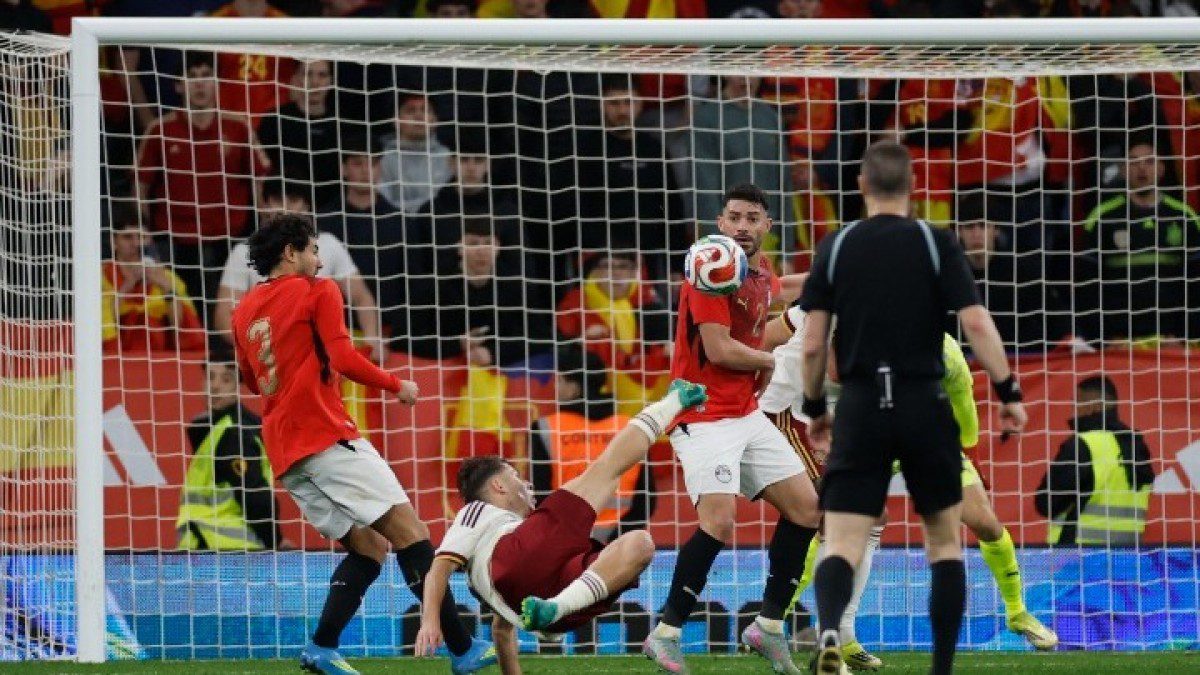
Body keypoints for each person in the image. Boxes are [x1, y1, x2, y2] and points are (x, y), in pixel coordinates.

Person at [799, 141, 1028, 675]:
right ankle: (941, 668)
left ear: (861, 185)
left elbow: (813, 343)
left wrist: (815, 406)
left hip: (860, 405)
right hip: (923, 402)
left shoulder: (836, 245)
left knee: (843, 540)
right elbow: (976, 323)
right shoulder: (934, 241)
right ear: (913, 187)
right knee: (944, 545)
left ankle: (829, 630)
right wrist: (1008, 392)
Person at [229, 213, 494, 675]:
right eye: (314, 251)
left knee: (369, 547)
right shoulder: (318, 291)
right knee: (410, 532)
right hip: (325, 435)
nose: (319, 261)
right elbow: (345, 357)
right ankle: (462, 647)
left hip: (286, 453)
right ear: (290, 252)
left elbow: (252, 381)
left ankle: (322, 647)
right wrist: (397, 384)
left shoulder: (243, 310)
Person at [413, 380, 709, 675]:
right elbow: (438, 568)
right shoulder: (477, 512)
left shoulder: (516, 543)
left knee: (640, 544)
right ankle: (673, 402)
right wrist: (430, 621)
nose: (526, 483)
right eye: (515, 476)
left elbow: (502, 630)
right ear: (498, 486)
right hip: (519, 563)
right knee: (605, 469)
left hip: (547, 608)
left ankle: (557, 606)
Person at [643, 184, 819, 675]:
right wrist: (772, 360)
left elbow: (777, 295)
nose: (742, 226)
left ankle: (768, 626)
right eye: (734, 217)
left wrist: (833, 280)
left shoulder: (759, 270)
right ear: (720, 223)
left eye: (752, 218)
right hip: (702, 415)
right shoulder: (710, 270)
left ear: (767, 226)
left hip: (744, 413)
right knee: (719, 522)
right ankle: (665, 634)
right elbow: (720, 351)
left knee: (807, 509)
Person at [134, 50, 270, 322]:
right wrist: (146, 236)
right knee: (184, 320)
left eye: (206, 75)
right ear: (178, 85)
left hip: (229, 241)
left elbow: (260, 180)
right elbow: (141, 187)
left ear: (217, 83)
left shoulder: (238, 127)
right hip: (175, 243)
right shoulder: (160, 130)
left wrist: (264, 228)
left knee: (229, 318)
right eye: (191, 76)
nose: (199, 83)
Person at [215, 180, 386, 362]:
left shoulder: (328, 244)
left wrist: (372, 338)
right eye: (278, 199)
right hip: (267, 358)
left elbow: (361, 296)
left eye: (293, 200)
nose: (285, 207)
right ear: (265, 205)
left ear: (306, 206)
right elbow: (224, 316)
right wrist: (260, 348)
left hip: (322, 355)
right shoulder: (243, 252)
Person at [1076, 134, 1200, 342]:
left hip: (1171, 340)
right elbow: (1087, 286)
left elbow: (1196, 283)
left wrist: (1185, 336)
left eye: (1149, 162)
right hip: (1119, 340)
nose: (1142, 169)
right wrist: (1103, 339)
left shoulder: (1184, 216)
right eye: (1134, 162)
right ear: (1123, 170)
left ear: (1161, 169)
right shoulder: (1102, 217)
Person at [529, 346, 655, 542]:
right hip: (619, 543)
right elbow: (646, 499)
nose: (554, 387)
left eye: (559, 380)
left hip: (566, 541)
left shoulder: (546, 428)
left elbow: (540, 496)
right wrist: (614, 541)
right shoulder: (630, 427)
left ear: (574, 387)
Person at [176, 353, 286, 551]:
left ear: (237, 386)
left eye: (225, 379)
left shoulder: (234, 432)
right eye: (210, 377)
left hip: (228, 551)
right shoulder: (213, 427)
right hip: (218, 547)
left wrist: (274, 543)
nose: (215, 386)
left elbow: (255, 495)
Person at [1034, 376, 1155, 546]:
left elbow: (1045, 504)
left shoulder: (1083, 445)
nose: (1073, 411)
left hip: (1076, 555)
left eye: (1077, 403)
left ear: (1094, 406)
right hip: (1127, 555)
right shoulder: (1137, 447)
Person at [555, 251, 672, 417]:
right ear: (594, 271)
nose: (616, 273)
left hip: (638, 385)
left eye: (623, 266)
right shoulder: (575, 303)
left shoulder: (650, 308)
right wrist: (578, 342)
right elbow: (556, 348)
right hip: (593, 398)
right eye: (607, 266)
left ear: (634, 272)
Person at [956, 192, 1072, 352]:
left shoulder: (1022, 272)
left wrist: (1069, 337)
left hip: (1020, 357)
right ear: (960, 232)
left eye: (983, 225)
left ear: (995, 230)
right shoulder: (951, 277)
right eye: (969, 227)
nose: (976, 234)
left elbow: (1055, 314)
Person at [101, 204, 206, 353]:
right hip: (115, 358)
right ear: (114, 241)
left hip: (159, 357)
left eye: (141, 237)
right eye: (127, 237)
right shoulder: (100, 276)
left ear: (149, 240)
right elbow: (102, 328)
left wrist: (166, 288)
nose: (135, 243)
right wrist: (126, 287)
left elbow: (183, 330)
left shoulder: (168, 277)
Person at [255, 59, 343, 209]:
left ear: (331, 81)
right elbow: (260, 172)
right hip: (283, 210)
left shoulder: (341, 125)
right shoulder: (275, 120)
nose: (314, 82)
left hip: (330, 212)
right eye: (308, 74)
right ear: (296, 78)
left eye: (322, 75)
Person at [377, 94, 453, 214]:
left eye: (425, 110)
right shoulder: (382, 159)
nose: (419, 116)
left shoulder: (448, 157)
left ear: (435, 120)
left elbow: (451, 204)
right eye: (410, 110)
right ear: (396, 121)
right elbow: (382, 206)